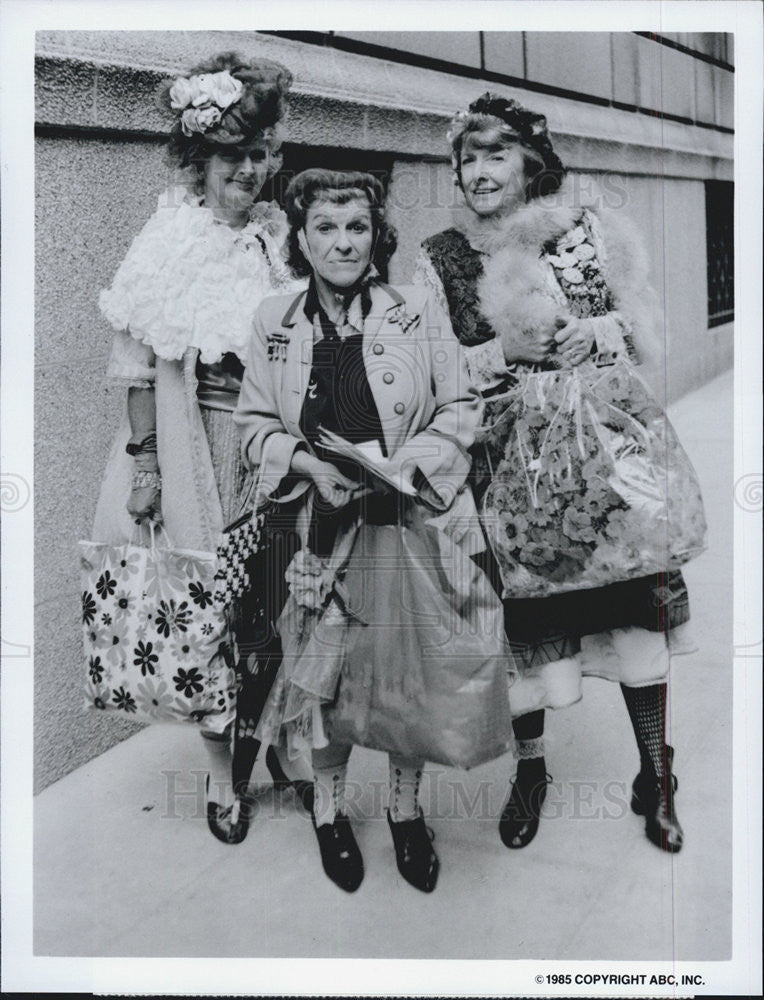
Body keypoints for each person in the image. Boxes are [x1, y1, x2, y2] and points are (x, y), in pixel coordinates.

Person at [415, 92, 705, 854]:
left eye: (496, 155)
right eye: (467, 158)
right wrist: (502, 356)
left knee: (635, 607)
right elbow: (428, 368)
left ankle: (654, 772)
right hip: (509, 467)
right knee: (524, 624)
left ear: (531, 163)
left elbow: (645, 326)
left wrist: (596, 332)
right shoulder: (439, 256)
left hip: (607, 462)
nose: (478, 172)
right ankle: (532, 772)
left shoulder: (584, 233)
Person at [233, 168, 512, 893]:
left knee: (401, 677)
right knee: (320, 679)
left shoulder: (417, 310)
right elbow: (252, 426)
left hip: (404, 523)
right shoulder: (273, 320)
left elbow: (461, 407)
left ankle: (405, 811)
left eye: (356, 227)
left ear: (376, 235)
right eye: (325, 227)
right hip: (317, 528)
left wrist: (404, 465)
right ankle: (329, 812)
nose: (342, 243)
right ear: (300, 237)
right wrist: (306, 464)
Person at [95, 51, 309, 805]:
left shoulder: (278, 239)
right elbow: (133, 365)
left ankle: (281, 740)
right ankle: (222, 779)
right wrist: (147, 466)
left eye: (259, 155)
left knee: (279, 600)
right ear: (199, 160)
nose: (248, 172)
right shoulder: (169, 239)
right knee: (210, 609)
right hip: (203, 451)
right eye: (231, 157)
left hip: (274, 448)